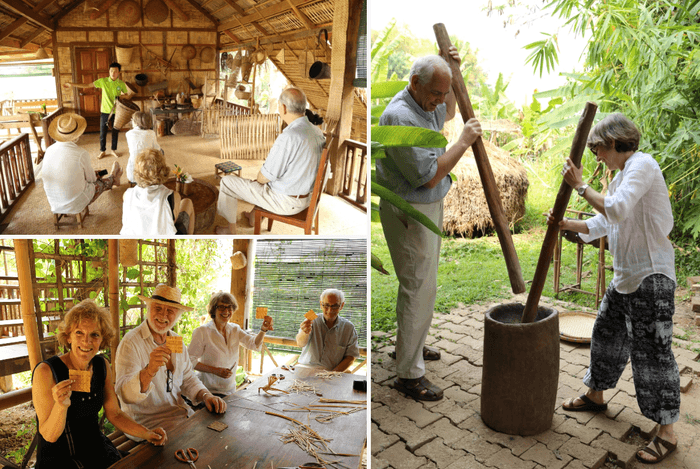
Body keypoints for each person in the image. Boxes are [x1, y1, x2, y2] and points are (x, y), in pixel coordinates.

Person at [551, 113, 679, 465]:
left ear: (615, 141)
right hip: (626, 277)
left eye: (599, 150)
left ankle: (666, 433)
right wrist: (566, 223)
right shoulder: (622, 175)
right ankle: (595, 394)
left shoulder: (643, 166)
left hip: (651, 277)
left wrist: (580, 186)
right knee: (606, 333)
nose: (597, 157)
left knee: (652, 355)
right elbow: (604, 220)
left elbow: (618, 210)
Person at [376, 49, 482, 401]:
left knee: (425, 285)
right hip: (411, 209)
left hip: (425, 207)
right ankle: (408, 375)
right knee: (418, 287)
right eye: (436, 93)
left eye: (444, 92)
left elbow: (449, 109)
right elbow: (427, 176)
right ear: (414, 83)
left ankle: (412, 349)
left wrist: (454, 69)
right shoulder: (400, 117)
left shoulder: (427, 103)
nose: (441, 101)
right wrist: (463, 142)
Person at [31, 300, 167, 468]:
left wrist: (147, 434)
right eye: (79, 332)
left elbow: (115, 414)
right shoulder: (46, 372)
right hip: (59, 460)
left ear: (102, 339)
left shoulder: (102, 365)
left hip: (94, 450)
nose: (87, 341)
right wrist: (60, 406)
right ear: (68, 336)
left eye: (95, 335)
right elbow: (49, 436)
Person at [114, 284, 226, 440]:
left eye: (170, 311)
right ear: (148, 309)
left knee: (219, 440)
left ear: (178, 315)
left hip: (182, 416)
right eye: (158, 308)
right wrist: (149, 371)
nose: (163, 315)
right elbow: (124, 395)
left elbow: (188, 378)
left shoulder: (175, 340)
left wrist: (206, 395)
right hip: (148, 427)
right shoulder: (131, 342)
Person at [215, 87, 326, 234]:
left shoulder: (289, 136)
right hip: (307, 199)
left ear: (284, 108)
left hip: (284, 202)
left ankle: (231, 229)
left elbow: (264, 177)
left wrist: (259, 179)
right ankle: (254, 216)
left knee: (228, 182)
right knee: (266, 183)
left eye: (279, 105)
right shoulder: (317, 132)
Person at [188, 292, 273, 396]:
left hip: (230, 390)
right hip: (207, 392)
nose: (226, 311)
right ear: (214, 309)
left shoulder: (234, 329)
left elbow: (253, 344)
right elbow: (190, 360)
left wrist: (263, 330)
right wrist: (216, 371)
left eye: (230, 307)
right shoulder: (202, 332)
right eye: (222, 307)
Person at [41, 113, 122, 217]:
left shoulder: (49, 150)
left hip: (54, 203)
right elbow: (91, 180)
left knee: (85, 172)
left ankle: (105, 173)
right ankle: (112, 178)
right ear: (77, 134)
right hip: (75, 202)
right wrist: (94, 175)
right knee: (97, 183)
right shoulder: (80, 153)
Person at [64, 62, 135, 159]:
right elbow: (87, 85)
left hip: (116, 112)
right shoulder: (103, 81)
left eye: (115, 71)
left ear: (119, 72)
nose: (113, 73)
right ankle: (103, 151)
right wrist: (72, 84)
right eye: (111, 71)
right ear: (109, 71)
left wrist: (121, 96)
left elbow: (126, 96)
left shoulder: (121, 83)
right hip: (105, 111)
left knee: (115, 131)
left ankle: (113, 150)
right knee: (103, 132)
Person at [120, 148, 194, 235]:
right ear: (163, 170)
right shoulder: (173, 196)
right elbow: (172, 222)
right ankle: (189, 236)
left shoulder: (127, 195)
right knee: (187, 202)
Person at [295, 289, 360, 372]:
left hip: (332, 372)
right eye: (326, 305)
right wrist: (304, 332)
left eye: (335, 306)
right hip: (306, 369)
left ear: (342, 306)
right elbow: (300, 344)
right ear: (320, 304)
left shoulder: (348, 328)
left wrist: (332, 374)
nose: (330, 310)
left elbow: (351, 357)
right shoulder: (311, 321)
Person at [126, 112, 162, 184]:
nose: (131, 121)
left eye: (132, 120)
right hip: (150, 174)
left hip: (133, 174)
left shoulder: (128, 134)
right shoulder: (151, 133)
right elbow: (157, 149)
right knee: (160, 151)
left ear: (137, 122)